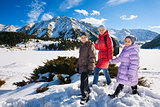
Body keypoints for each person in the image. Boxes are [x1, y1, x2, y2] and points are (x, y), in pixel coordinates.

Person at [77, 32, 96, 104]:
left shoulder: (90, 45)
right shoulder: (82, 46)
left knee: (83, 81)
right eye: (82, 37)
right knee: (85, 80)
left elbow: (92, 57)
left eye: (85, 37)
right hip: (82, 66)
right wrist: (78, 66)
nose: (83, 39)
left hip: (87, 66)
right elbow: (80, 58)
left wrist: (91, 67)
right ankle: (87, 90)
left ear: (87, 38)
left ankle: (84, 95)